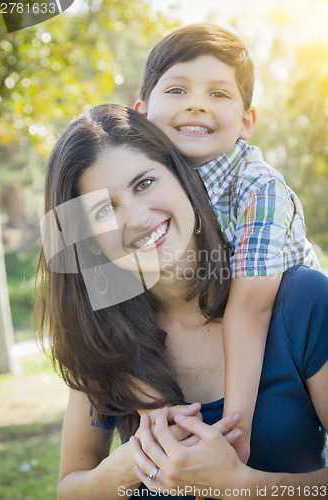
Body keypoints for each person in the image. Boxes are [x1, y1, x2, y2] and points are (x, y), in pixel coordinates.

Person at [35, 103, 328, 500]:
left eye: (143, 184)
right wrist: (129, 465)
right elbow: (71, 490)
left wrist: (241, 486)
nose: (137, 218)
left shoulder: (301, 301)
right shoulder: (103, 336)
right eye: (105, 210)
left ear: (181, 177)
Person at [134, 23, 321, 463]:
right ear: (142, 112)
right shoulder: (136, 182)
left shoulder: (260, 189)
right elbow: (99, 295)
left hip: (281, 332)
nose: (197, 104)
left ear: (247, 121)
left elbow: (251, 308)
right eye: (177, 90)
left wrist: (235, 435)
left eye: (218, 95)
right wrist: (152, 408)